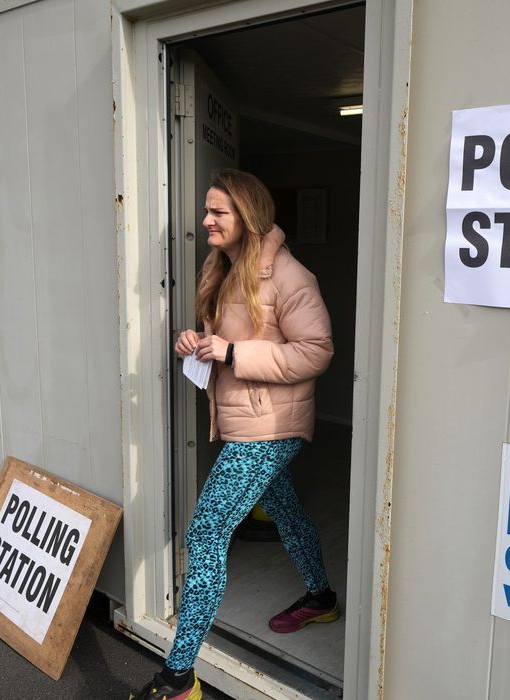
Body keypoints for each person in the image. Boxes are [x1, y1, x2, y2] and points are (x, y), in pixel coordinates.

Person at [131, 169, 337, 700]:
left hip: (268, 428)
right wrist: (199, 341)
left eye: (217, 212)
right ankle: (321, 596)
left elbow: (316, 352)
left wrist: (231, 353)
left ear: (246, 216)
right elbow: (235, 335)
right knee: (286, 510)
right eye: (207, 210)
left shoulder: (291, 276)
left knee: (204, 536)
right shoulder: (223, 266)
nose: (205, 221)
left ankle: (178, 679)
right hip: (247, 418)